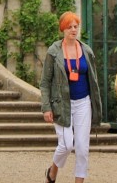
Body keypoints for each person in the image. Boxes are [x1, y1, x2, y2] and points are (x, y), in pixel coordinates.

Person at [40, 12, 102, 183]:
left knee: (82, 148)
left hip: (84, 102)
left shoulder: (86, 50)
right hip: (61, 104)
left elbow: (93, 80)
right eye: (69, 27)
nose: (73, 30)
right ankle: (52, 171)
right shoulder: (53, 52)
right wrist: (46, 107)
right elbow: (45, 82)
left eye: (76, 26)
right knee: (67, 145)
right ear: (63, 29)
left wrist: (96, 104)